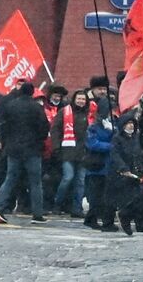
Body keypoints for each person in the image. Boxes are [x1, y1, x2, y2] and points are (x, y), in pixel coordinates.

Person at [0, 80, 49, 224]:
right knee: (35, 182)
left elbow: (2, 125)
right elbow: (44, 128)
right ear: (32, 92)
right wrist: (39, 141)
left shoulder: (10, 106)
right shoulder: (37, 108)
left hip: (13, 148)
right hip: (32, 149)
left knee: (10, 178)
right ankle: (37, 214)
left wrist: (6, 142)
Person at [49, 89, 92, 217]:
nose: (81, 101)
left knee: (80, 181)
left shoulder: (89, 114)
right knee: (68, 178)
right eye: (79, 98)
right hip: (67, 152)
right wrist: (56, 147)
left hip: (83, 152)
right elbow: (55, 129)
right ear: (74, 99)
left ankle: (76, 208)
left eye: (83, 99)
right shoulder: (64, 112)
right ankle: (58, 203)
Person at [110, 115, 143, 236]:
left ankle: (139, 223)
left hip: (136, 173)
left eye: (132, 123)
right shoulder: (117, 139)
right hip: (123, 173)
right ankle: (125, 216)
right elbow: (115, 155)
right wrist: (123, 168)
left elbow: (138, 155)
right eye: (128, 123)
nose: (131, 125)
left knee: (140, 199)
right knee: (130, 199)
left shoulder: (135, 138)